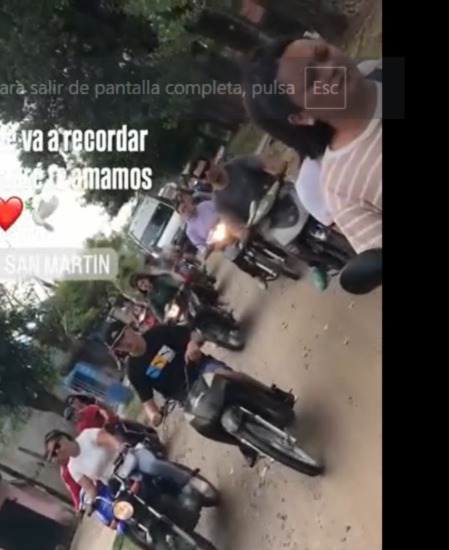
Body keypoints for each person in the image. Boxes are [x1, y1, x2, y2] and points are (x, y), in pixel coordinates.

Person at [244, 37, 382, 266]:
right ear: (302, 116)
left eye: (323, 54)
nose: (330, 69)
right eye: (312, 80)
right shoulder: (342, 188)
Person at [101, 318, 294, 468]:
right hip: (187, 396)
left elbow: (192, 335)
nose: (124, 343)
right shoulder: (133, 371)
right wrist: (154, 415)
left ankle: (273, 394)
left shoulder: (158, 333)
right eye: (119, 344)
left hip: (201, 369)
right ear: (117, 350)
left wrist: (192, 345)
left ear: (129, 328)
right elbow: (147, 401)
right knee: (202, 426)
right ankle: (243, 442)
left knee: (232, 377)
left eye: (123, 336)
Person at [207, 155, 329, 290]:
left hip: (281, 194)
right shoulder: (218, 202)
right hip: (267, 221)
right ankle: (315, 265)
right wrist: (241, 232)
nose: (207, 173)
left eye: (207, 167)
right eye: (202, 175)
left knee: (319, 207)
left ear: (212, 162)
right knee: (292, 246)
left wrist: (276, 168)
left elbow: (265, 163)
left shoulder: (238, 164)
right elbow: (231, 222)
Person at [43, 427, 191, 514]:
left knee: (152, 466)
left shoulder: (86, 436)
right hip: (118, 482)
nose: (58, 451)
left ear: (64, 437)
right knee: (126, 512)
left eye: (57, 446)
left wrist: (119, 446)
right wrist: (89, 504)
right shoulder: (72, 468)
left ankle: (188, 480)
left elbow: (108, 439)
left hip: (129, 460)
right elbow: (89, 489)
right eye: (54, 453)